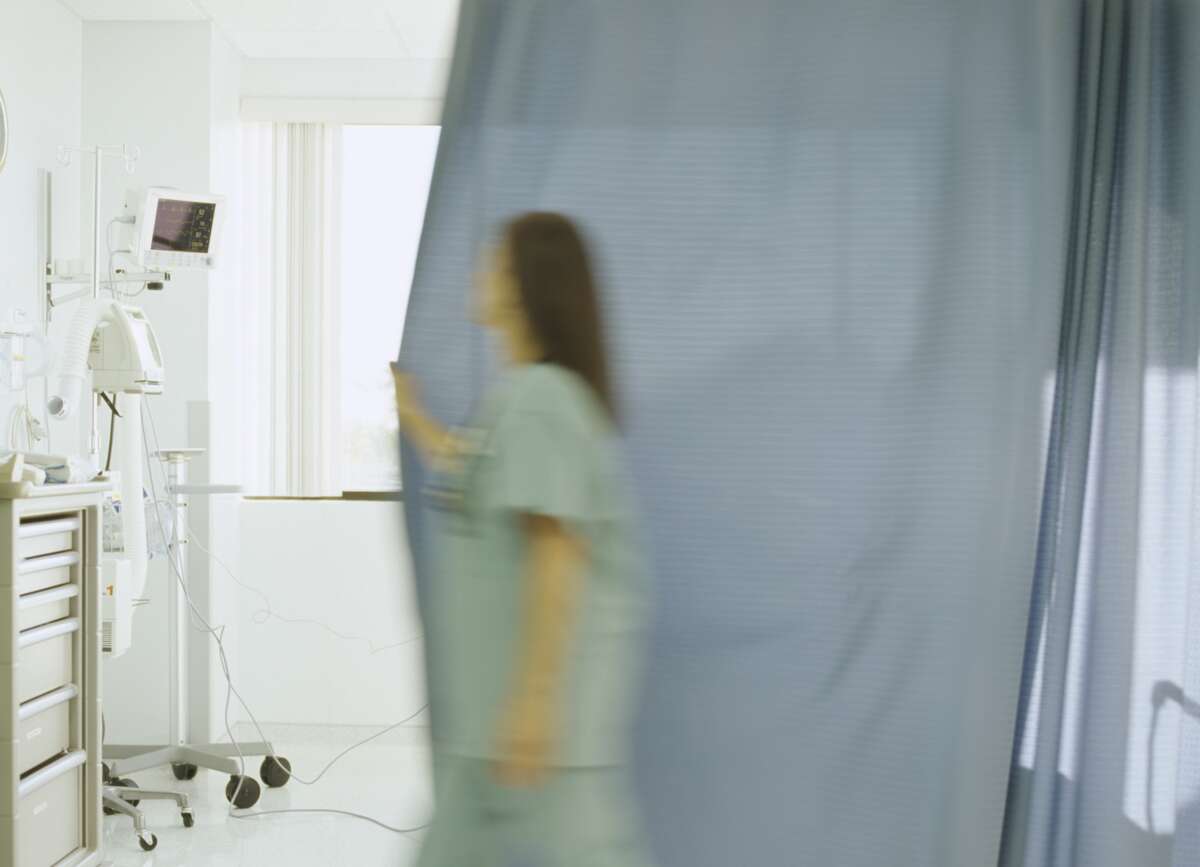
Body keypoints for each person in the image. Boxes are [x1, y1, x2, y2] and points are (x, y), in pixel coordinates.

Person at [393, 212, 654, 867]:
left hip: (535, 726)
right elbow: (478, 476)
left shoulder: (541, 399)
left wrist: (535, 702)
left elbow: (555, 552)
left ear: (523, 285)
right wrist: (416, 420)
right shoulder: (525, 400)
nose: (480, 274)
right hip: (496, 719)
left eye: (493, 263)